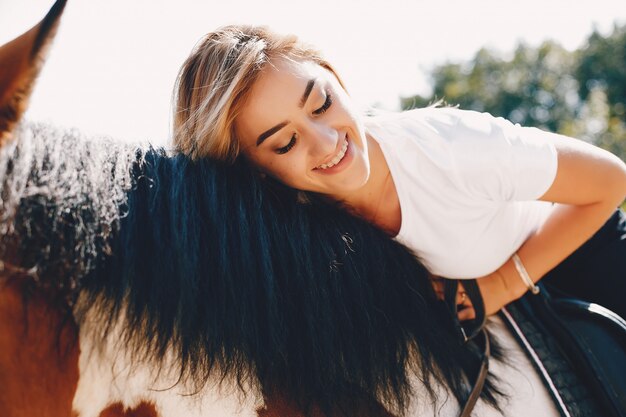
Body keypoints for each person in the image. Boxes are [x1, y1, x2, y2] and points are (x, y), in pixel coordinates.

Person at [171, 25, 626, 415]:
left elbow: (611, 180)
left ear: (334, 77)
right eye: (285, 143)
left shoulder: (457, 148)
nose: (328, 142)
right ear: (254, 172)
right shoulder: (290, 224)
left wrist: (503, 283)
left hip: (575, 246)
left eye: (321, 104)